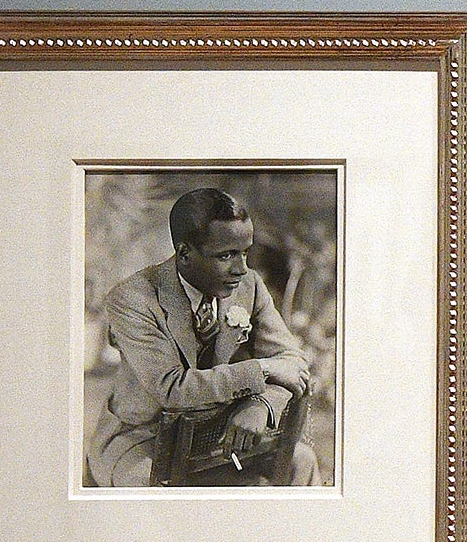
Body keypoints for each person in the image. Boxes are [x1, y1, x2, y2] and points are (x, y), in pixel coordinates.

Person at [88, 187, 320, 488]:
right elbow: (171, 387)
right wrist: (261, 370)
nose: (241, 269)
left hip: (221, 433)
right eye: (226, 255)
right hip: (145, 439)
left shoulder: (248, 284)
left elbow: (291, 361)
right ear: (184, 254)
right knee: (152, 496)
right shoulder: (132, 298)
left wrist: (261, 404)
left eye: (244, 253)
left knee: (301, 461)